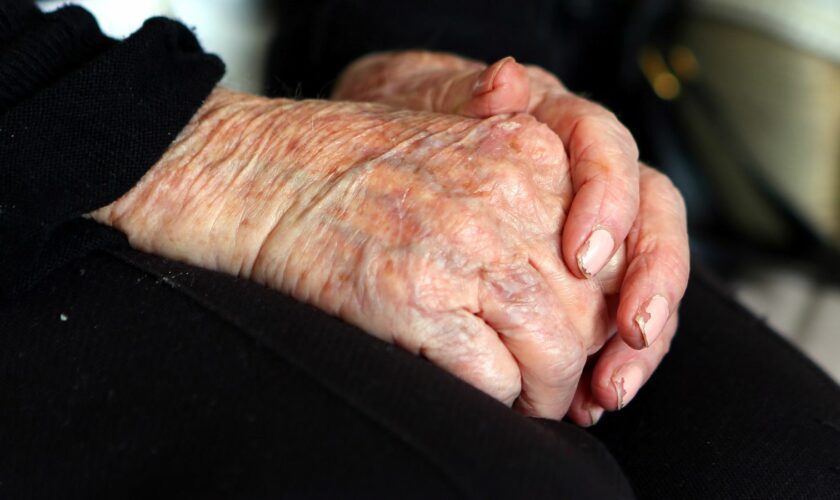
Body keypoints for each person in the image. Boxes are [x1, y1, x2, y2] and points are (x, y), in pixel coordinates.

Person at [1, 1, 838, 498]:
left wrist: (421, 55)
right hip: (46, 160)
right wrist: (219, 160)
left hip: (297, 83)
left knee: (794, 468)